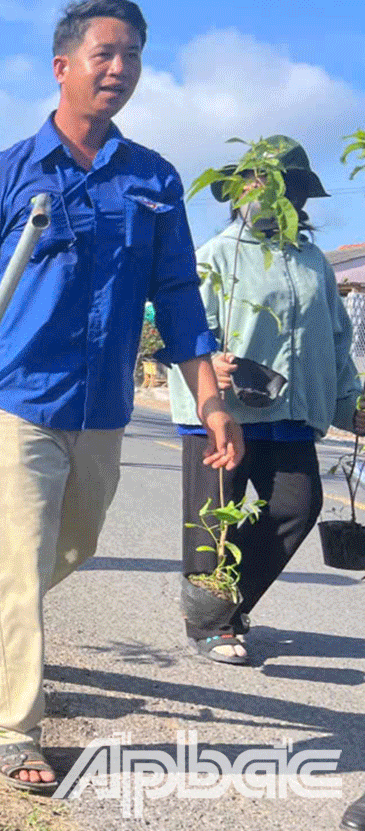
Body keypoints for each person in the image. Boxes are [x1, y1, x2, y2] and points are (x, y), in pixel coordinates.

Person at [0, 0, 243, 793]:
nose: (121, 68)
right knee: (22, 562)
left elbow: (179, 299)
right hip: (19, 399)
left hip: (102, 407)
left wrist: (209, 400)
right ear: (62, 66)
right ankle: (12, 726)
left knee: (76, 545)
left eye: (132, 54)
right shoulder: (8, 172)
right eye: (105, 54)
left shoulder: (154, 179)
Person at [167, 136, 364, 665]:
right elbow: (180, 332)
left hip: (291, 413)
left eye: (286, 187)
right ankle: (214, 624)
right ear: (237, 191)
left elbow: (336, 343)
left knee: (298, 506)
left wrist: (352, 406)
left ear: (300, 198)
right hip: (221, 410)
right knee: (217, 522)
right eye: (258, 182)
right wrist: (213, 365)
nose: (272, 195)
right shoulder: (215, 257)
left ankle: (219, 608)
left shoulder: (315, 265)